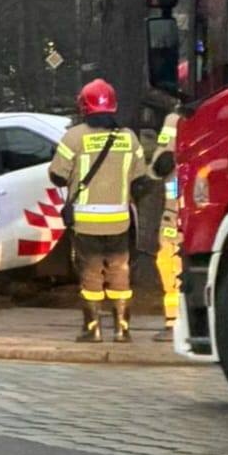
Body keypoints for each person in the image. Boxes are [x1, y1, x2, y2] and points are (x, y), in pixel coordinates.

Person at [48, 78, 173, 344]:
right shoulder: (128, 138)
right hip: (119, 221)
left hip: (85, 223)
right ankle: (122, 330)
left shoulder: (74, 137)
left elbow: (57, 176)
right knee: (120, 272)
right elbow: (140, 180)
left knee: (91, 274)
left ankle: (92, 329)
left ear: (84, 106)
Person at [154, 107, 182, 342]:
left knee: (172, 263)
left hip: (181, 209)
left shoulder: (173, 119)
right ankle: (176, 321)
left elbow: (159, 162)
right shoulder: (173, 120)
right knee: (171, 262)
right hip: (181, 209)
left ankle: (176, 322)